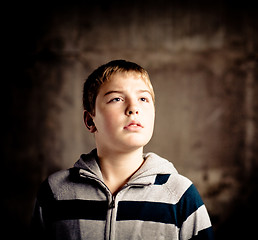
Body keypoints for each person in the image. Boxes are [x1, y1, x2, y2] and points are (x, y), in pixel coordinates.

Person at [31, 59, 214, 240]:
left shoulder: (179, 195)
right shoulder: (55, 193)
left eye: (143, 99)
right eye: (116, 99)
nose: (133, 108)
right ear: (90, 120)